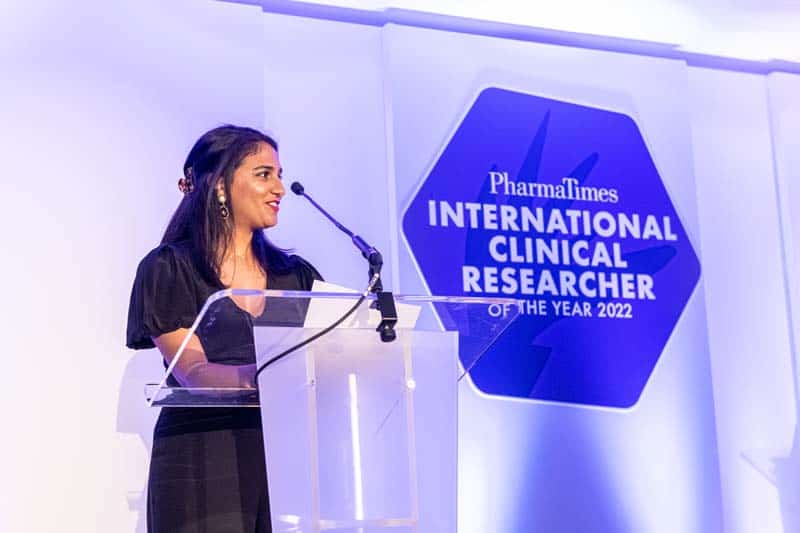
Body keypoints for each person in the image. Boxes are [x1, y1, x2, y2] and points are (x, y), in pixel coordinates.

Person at [126, 125, 322, 532]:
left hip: (287, 464)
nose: (279, 188)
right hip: (202, 461)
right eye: (264, 174)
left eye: (280, 175)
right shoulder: (170, 268)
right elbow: (193, 371)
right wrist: (269, 378)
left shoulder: (298, 277)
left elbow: (326, 358)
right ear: (219, 185)